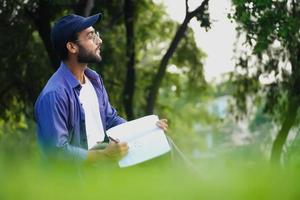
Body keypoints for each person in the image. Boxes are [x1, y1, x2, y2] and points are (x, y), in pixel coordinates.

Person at [34, 13, 168, 163]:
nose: (100, 40)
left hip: (102, 168)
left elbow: (110, 119)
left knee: (165, 148)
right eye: (91, 36)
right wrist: (103, 155)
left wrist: (148, 129)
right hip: (77, 180)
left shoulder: (94, 80)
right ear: (72, 47)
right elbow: (56, 152)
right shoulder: (55, 95)